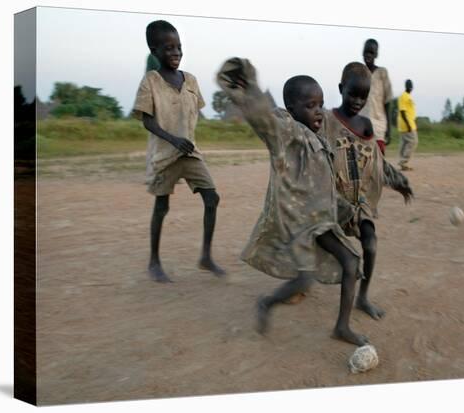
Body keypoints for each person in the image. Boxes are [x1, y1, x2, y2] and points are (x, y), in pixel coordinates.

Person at [217, 57, 368, 346]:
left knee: (351, 262)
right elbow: (264, 118)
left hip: (321, 220)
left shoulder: (319, 139)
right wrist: (248, 89)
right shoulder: (286, 134)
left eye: (320, 104)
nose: (319, 112)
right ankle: (267, 302)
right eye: (310, 106)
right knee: (304, 280)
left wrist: (349, 212)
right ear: (292, 110)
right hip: (298, 225)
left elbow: (324, 188)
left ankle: (342, 327)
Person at [133, 20, 225, 283]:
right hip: (165, 155)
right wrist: (173, 139)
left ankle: (205, 257)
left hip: (190, 153)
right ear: (155, 51)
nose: (175, 53)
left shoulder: (191, 80)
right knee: (161, 206)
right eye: (168, 48)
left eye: (179, 47)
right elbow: (147, 120)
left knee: (212, 198)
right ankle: (154, 262)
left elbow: (195, 111)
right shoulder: (150, 81)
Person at [321, 62, 413, 320]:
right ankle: (299, 281)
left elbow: (377, 162)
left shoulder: (365, 126)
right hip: (332, 201)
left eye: (363, 96)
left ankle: (362, 297)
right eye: (352, 94)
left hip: (358, 202)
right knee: (313, 245)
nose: (357, 101)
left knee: (370, 246)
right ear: (341, 89)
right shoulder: (325, 121)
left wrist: (398, 181)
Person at [359, 39, 393, 156]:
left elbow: (387, 102)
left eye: (371, 53)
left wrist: (389, 128)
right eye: (366, 52)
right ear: (362, 53)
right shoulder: (358, 72)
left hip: (378, 125)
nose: (368, 55)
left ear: (376, 54)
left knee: (379, 164)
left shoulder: (382, 73)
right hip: (360, 124)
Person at [397, 79, 418, 171]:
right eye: (409, 86)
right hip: (407, 124)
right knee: (413, 141)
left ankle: (402, 163)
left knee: (405, 143)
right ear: (407, 87)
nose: (410, 87)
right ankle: (403, 161)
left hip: (408, 123)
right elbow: (402, 111)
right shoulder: (404, 96)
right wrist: (408, 124)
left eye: (410, 86)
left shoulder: (407, 96)